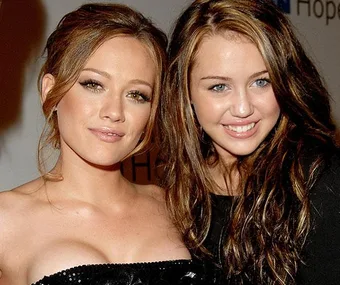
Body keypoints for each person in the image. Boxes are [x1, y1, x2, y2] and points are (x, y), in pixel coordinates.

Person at [0, 3, 222, 285]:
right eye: (94, 85)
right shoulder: (6, 219)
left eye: (137, 95)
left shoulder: (176, 206)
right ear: (50, 92)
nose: (114, 112)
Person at [157, 0, 340, 284]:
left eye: (261, 82)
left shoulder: (322, 180)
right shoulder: (174, 189)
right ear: (185, 92)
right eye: (219, 87)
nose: (243, 108)